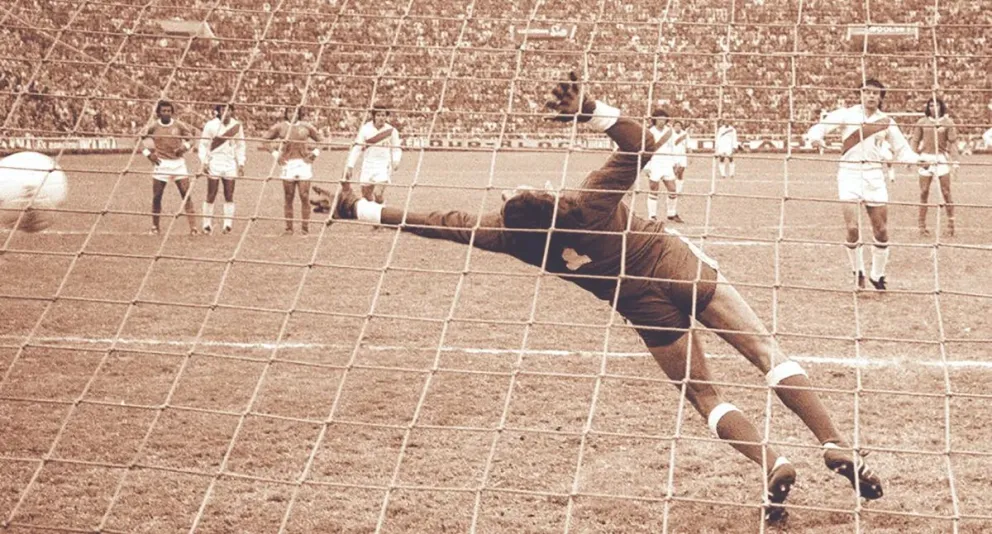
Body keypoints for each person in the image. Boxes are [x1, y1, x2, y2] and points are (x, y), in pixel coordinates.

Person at [317, 72, 883, 522]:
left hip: (640, 305)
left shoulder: (510, 239)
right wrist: (590, 110)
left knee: (704, 395)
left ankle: (771, 461)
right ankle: (833, 442)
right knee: (764, 351)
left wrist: (357, 209)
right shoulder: (587, 201)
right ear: (547, 199)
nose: (509, 189)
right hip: (680, 268)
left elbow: (435, 221)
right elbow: (641, 142)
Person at [805, 79, 919, 291]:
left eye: (875, 93)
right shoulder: (847, 114)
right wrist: (815, 138)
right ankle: (858, 272)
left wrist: (917, 160)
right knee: (852, 228)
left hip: (874, 177)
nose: (871, 96)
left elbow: (902, 149)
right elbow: (820, 127)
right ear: (860, 94)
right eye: (867, 92)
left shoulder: (886, 122)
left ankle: (878, 274)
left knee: (881, 231)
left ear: (881, 97)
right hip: (849, 174)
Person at [139, 100, 198, 235]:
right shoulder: (153, 127)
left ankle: (193, 228)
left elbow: (192, 139)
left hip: (178, 164)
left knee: (186, 195)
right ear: (159, 113)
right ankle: (155, 227)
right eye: (164, 111)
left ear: (172, 112)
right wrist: (149, 154)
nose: (166, 113)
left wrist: (184, 147)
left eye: (169, 111)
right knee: (157, 197)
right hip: (161, 164)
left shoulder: (179, 125)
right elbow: (138, 140)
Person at [263, 107, 323, 235]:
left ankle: (305, 228)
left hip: (303, 164)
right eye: (289, 112)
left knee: (304, 195)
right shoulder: (280, 127)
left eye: (295, 112)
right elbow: (265, 140)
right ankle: (289, 228)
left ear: (300, 113)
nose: (292, 114)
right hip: (288, 164)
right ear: (286, 114)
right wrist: (275, 154)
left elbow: (321, 140)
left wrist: (314, 153)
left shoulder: (306, 126)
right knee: (289, 196)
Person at [909, 97, 959, 237]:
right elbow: (915, 140)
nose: (933, 108)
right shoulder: (922, 122)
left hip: (941, 158)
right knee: (924, 192)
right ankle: (921, 226)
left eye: (936, 105)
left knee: (946, 192)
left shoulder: (947, 123)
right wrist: (913, 157)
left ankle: (951, 224)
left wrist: (955, 161)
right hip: (926, 158)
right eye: (931, 105)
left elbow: (953, 142)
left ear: (941, 107)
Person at [198, 103, 246, 234]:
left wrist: (241, 163)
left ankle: (227, 225)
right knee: (211, 194)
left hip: (230, 162)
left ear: (232, 111)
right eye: (222, 109)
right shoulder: (211, 125)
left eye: (228, 109)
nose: (225, 112)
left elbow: (240, 145)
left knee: (229, 194)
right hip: (214, 161)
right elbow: (203, 145)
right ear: (218, 111)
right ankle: (207, 224)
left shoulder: (237, 126)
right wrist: (205, 162)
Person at [344, 104, 402, 209]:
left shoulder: (391, 131)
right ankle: (375, 213)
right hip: (368, 165)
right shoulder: (365, 129)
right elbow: (357, 148)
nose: (381, 118)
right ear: (374, 116)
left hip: (383, 165)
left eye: (383, 115)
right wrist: (350, 166)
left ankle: (381, 215)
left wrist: (396, 161)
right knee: (366, 196)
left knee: (378, 194)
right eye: (379, 115)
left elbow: (396, 148)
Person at [643, 109, 683, 223]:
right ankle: (652, 216)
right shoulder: (649, 132)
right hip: (654, 163)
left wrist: (676, 162)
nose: (662, 120)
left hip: (667, 164)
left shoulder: (670, 132)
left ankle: (671, 213)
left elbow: (673, 148)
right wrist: (646, 166)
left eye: (664, 118)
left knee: (672, 189)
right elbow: (646, 150)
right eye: (659, 118)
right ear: (655, 119)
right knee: (653, 189)